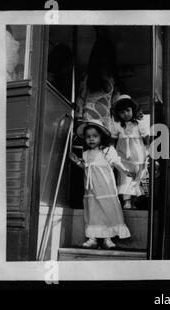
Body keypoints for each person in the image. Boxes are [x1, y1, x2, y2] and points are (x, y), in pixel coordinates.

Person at [69, 119, 135, 249]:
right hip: (91, 189)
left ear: (101, 137)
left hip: (105, 187)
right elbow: (86, 167)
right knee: (93, 212)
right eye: (88, 137)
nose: (91, 139)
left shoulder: (107, 150)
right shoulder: (86, 153)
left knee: (107, 210)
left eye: (95, 136)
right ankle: (92, 237)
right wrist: (77, 162)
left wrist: (125, 171)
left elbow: (116, 162)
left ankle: (108, 238)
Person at [109, 94, 150, 209]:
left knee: (137, 177)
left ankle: (135, 201)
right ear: (118, 114)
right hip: (123, 155)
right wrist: (111, 152)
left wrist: (149, 151)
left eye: (128, 110)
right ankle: (127, 201)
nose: (125, 114)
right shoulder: (117, 125)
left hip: (138, 155)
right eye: (122, 112)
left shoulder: (139, 124)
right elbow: (113, 139)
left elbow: (147, 139)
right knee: (125, 177)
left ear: (133, 110)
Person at [75, 30, 120, 128]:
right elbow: (81, 97)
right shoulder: (88, 74)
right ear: (96, 57)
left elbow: (115, 102)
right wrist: (78, 117)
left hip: (106, 119)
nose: (104, 60)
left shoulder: (113, 78)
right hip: (88, 116)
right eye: (101, 56)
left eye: (107, 56)